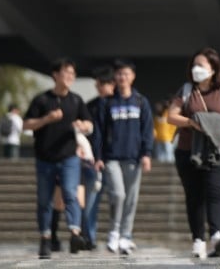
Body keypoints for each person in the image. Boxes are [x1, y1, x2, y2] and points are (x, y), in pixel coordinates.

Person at [167, 47, 220, 260]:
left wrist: (211, 124)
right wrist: (193, 122)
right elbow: (171, 116)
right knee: (194, 196)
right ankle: (198, 240)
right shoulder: (186, 90)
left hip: (218, 150)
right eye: (194, 65)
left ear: (213, 69)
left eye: (201, 65)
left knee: (216, 192)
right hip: (188, 151)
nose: (196, 69)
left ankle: (216, 235)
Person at [24, 58, 93, 258]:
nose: (70, 77)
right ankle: (45, 238)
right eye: (66, 72)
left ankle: (74, 233)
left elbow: (89, 124)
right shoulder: (42, 100)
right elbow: (26, 124)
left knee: (70, 193)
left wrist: (83, 126)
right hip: (45, 158)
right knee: (44, 200)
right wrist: (46, 119)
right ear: (55, 75)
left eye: (72, 73)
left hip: (69, 157)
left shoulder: (76, 100)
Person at [93, 59, 154, 255]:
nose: (122, 77)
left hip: (134, 158)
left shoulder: (141, 101)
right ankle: (114, 232)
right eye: (119, 74)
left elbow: (147, 130)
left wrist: (147, 154)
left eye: (126, 74)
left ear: (132, 77)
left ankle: (126, 236)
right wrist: (98, 156)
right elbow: (99, 132)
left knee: (131, 199)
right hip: (111, 158)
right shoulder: (107, 102)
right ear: (115, 77)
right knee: (118, 194)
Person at [82, 67, 115, 249]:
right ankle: (89, 237)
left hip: (115, 159)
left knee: (117, 200)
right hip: (94, 161)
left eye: (101, 84)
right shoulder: (91, 106)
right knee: (91, 202)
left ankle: (117, 236)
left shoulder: (118, 104)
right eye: (97, 84)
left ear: (111, 84)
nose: (98, 88)